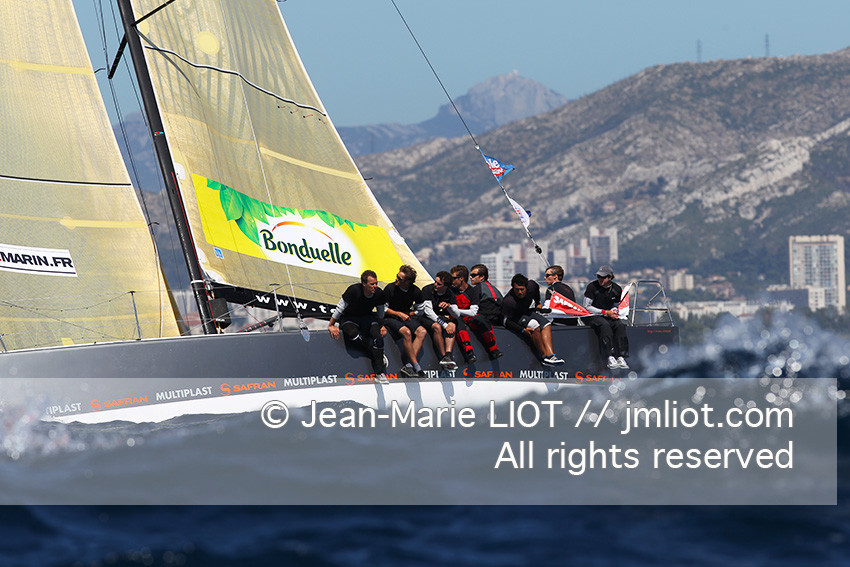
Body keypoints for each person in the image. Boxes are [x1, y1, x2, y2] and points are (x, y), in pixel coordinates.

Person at [328, 269, 389, 384]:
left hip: (367, 318)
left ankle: (379, 374)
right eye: (372, 284)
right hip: (350, 318)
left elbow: (380, 311)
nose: (375, 286)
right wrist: (331, 325)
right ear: (364, 284)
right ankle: (377, 357)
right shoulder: (353, 290)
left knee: (378, 338)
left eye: (376, 283)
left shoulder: (379, 293)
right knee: (353, 334)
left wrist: (382, 325)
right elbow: (340, 308)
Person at [501, 273, 564, 366]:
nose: (520, 292)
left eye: (522, 289)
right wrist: (522, 330)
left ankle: (550, 355)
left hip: (526, 312)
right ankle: (544, 357)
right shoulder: (508, 301)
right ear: (513, 289)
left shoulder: (532, 285)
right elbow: (505, 321)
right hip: (515, 317)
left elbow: (536, 292)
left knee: (546, 323)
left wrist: (538, 302)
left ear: (526, 287)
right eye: (517, 290)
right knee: (534, 324)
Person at [418, 271, 475, 369]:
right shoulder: (427, 290)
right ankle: (443, 355)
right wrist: (444, 325)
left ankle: (448, 355)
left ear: (446, 287)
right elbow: (428, 312)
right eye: (435, 282)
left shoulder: (450, 293)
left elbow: (456, 314)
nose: (435, 285)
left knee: (452, 325)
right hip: (424, 316)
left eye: (439, 284)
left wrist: (449, 306)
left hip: (438, 316)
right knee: (437, 327)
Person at [383, 265, 428, 378]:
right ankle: (416, 366)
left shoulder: (415, 291)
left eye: (399, 278)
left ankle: (408, 365)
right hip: (390, 317)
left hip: (405, 316)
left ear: (407, 282)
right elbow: (383, 309)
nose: (396, 279)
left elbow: (420, 310)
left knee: (422, 332)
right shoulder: (390, 288)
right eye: (397, 276)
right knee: (407, 332)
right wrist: (399, 314)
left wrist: (409, 314)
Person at [450, 265, 503, 359]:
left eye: (453, 278)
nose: (471, 277)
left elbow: (474, 312)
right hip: (457, 320)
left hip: (470, 319)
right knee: (458, 320)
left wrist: (456, 311)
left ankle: (494, 349)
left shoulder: (473, 291)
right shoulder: (450, 291)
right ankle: (469, 352)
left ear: (461, 278)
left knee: (481, 319)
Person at [583, 265, 629, 370]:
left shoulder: (617, 289)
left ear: (610, 277)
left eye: (603, 277)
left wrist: (614, 312)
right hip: (592, 315)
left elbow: (616, 305)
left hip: (608, 314)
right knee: (604, 325)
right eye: (598, 276)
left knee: (620, 325)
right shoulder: (592, 287)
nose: (600, 279)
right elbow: (587, 306)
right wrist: (605, 312)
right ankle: (610, 356)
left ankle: (621, 356)